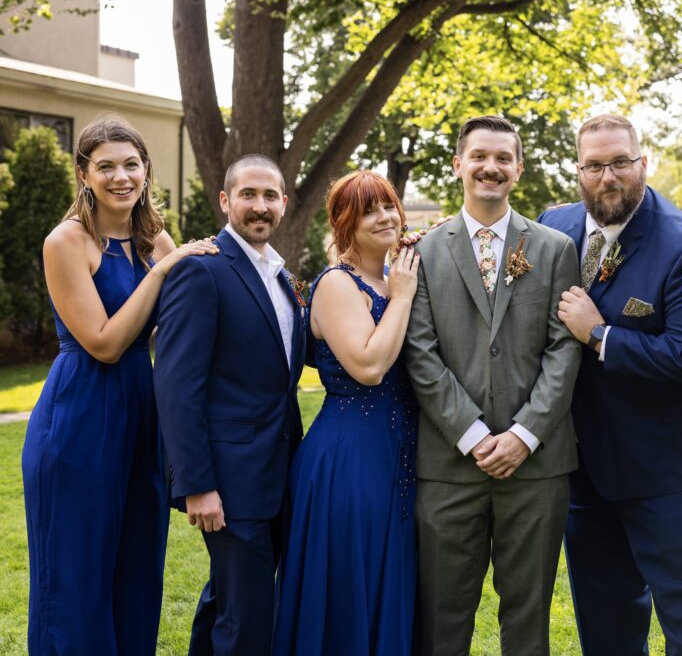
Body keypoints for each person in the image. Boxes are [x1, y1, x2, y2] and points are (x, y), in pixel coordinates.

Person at [538, 114, 682, 655]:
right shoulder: (552, 226)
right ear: (578, 170)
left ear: (642, 163)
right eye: (595, 165)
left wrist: (599, 335)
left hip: (672, 477)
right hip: (584, 473)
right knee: (605, 632)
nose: (609, 177)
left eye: (620, 162)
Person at [22, 115, 218, 654]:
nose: (121, 177)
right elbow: (105, 342)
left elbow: (172, 333)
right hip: (79, 414)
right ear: (84, 173)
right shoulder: (67, 241)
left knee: (136, 572)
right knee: (75, 580)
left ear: (146, 170)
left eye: (131, 164)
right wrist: (161, 270)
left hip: (141, 413)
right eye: (105, 166)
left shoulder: (156, 239)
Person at [404, 115, 580, 655]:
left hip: (537, 468)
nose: (491, 167)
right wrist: (474, 434)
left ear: (519, 169)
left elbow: (565, 348)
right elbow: (420, 351)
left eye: (504, 158)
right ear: (458, 165)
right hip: (448, 466)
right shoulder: (422, 253)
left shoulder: (552, 249)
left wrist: (524, 434)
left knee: (528, 619)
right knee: (440, 617)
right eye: (480, 156)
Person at [154, 154, 305, 656]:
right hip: (229, 479)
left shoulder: (281, 278)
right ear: (225, 201)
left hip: (279, 471)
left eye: (269, 196)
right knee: (247, 619)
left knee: (228, 601)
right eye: (248, 195)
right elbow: (177, 386)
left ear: (283, 203)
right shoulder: (201, 271)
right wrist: (196, 484)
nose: (259, 206)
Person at [272, 170, 420, 655]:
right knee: (348, 585)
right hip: (348, 459)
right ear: (344, 222)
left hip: (398, 451)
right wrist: (400, 298)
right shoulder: (338, 283)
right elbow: (370, 365)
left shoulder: (392, 275)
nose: (384, 218)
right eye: (368, 210)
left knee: (387, 577)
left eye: (388, 206)